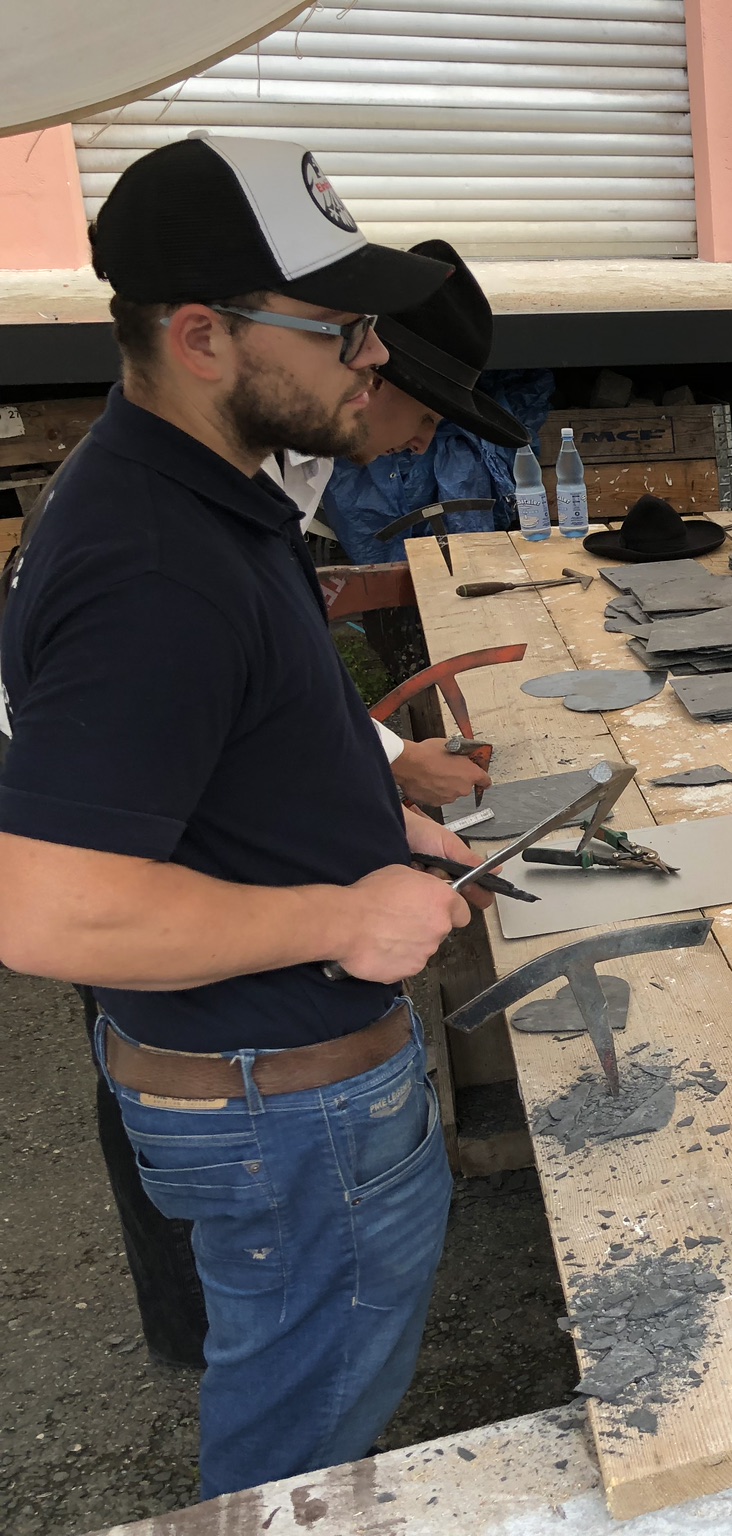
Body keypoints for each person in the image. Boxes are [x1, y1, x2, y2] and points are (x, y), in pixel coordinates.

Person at [0, 134, 489, 1498]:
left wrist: (371, 818)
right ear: (203, 336)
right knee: (295, 1451)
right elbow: (51, 912)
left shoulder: (204, 494)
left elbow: (225, 756)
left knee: (312, 1395)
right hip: (281, 1107)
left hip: (280, 1088)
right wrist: (343, 913)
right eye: (340, 330)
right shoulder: (151, 565)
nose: (374, 360)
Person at [270, 237, 534, 810]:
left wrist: (394, 763)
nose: (422, 442)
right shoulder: (239, 476)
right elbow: (257, 675)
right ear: (374, 380)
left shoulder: (307, 464)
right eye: (426, 416)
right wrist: (396, 763)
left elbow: (286, 658)